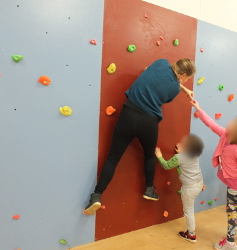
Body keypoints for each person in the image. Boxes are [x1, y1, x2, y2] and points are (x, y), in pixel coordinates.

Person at [83, 58, 197, 215]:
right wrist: (183, 89)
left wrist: (184, 88)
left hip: (129, 114)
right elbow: (172, 85)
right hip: (149, 123)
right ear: (183, 75)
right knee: (149, 155)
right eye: (187, 79)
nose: (186, 81)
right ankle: (149, 189)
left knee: (113, 158)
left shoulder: (161, 63)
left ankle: (96, 195)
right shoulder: (175, 90)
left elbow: (158, 76)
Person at [191, 100, 237, 250]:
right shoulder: (224, 135)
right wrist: (198, 108)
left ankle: (230, 243)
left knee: (231, 212)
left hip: (236, 184)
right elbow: (211, 124)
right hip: (235, 184)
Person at [155, 134, 204, 243]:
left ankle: (191, 234)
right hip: (199, 183)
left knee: (188, 211)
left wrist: (159, 156)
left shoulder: (179, 158)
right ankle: (190, 231)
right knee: (189, 205)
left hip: (189, 188)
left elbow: (167, 165)